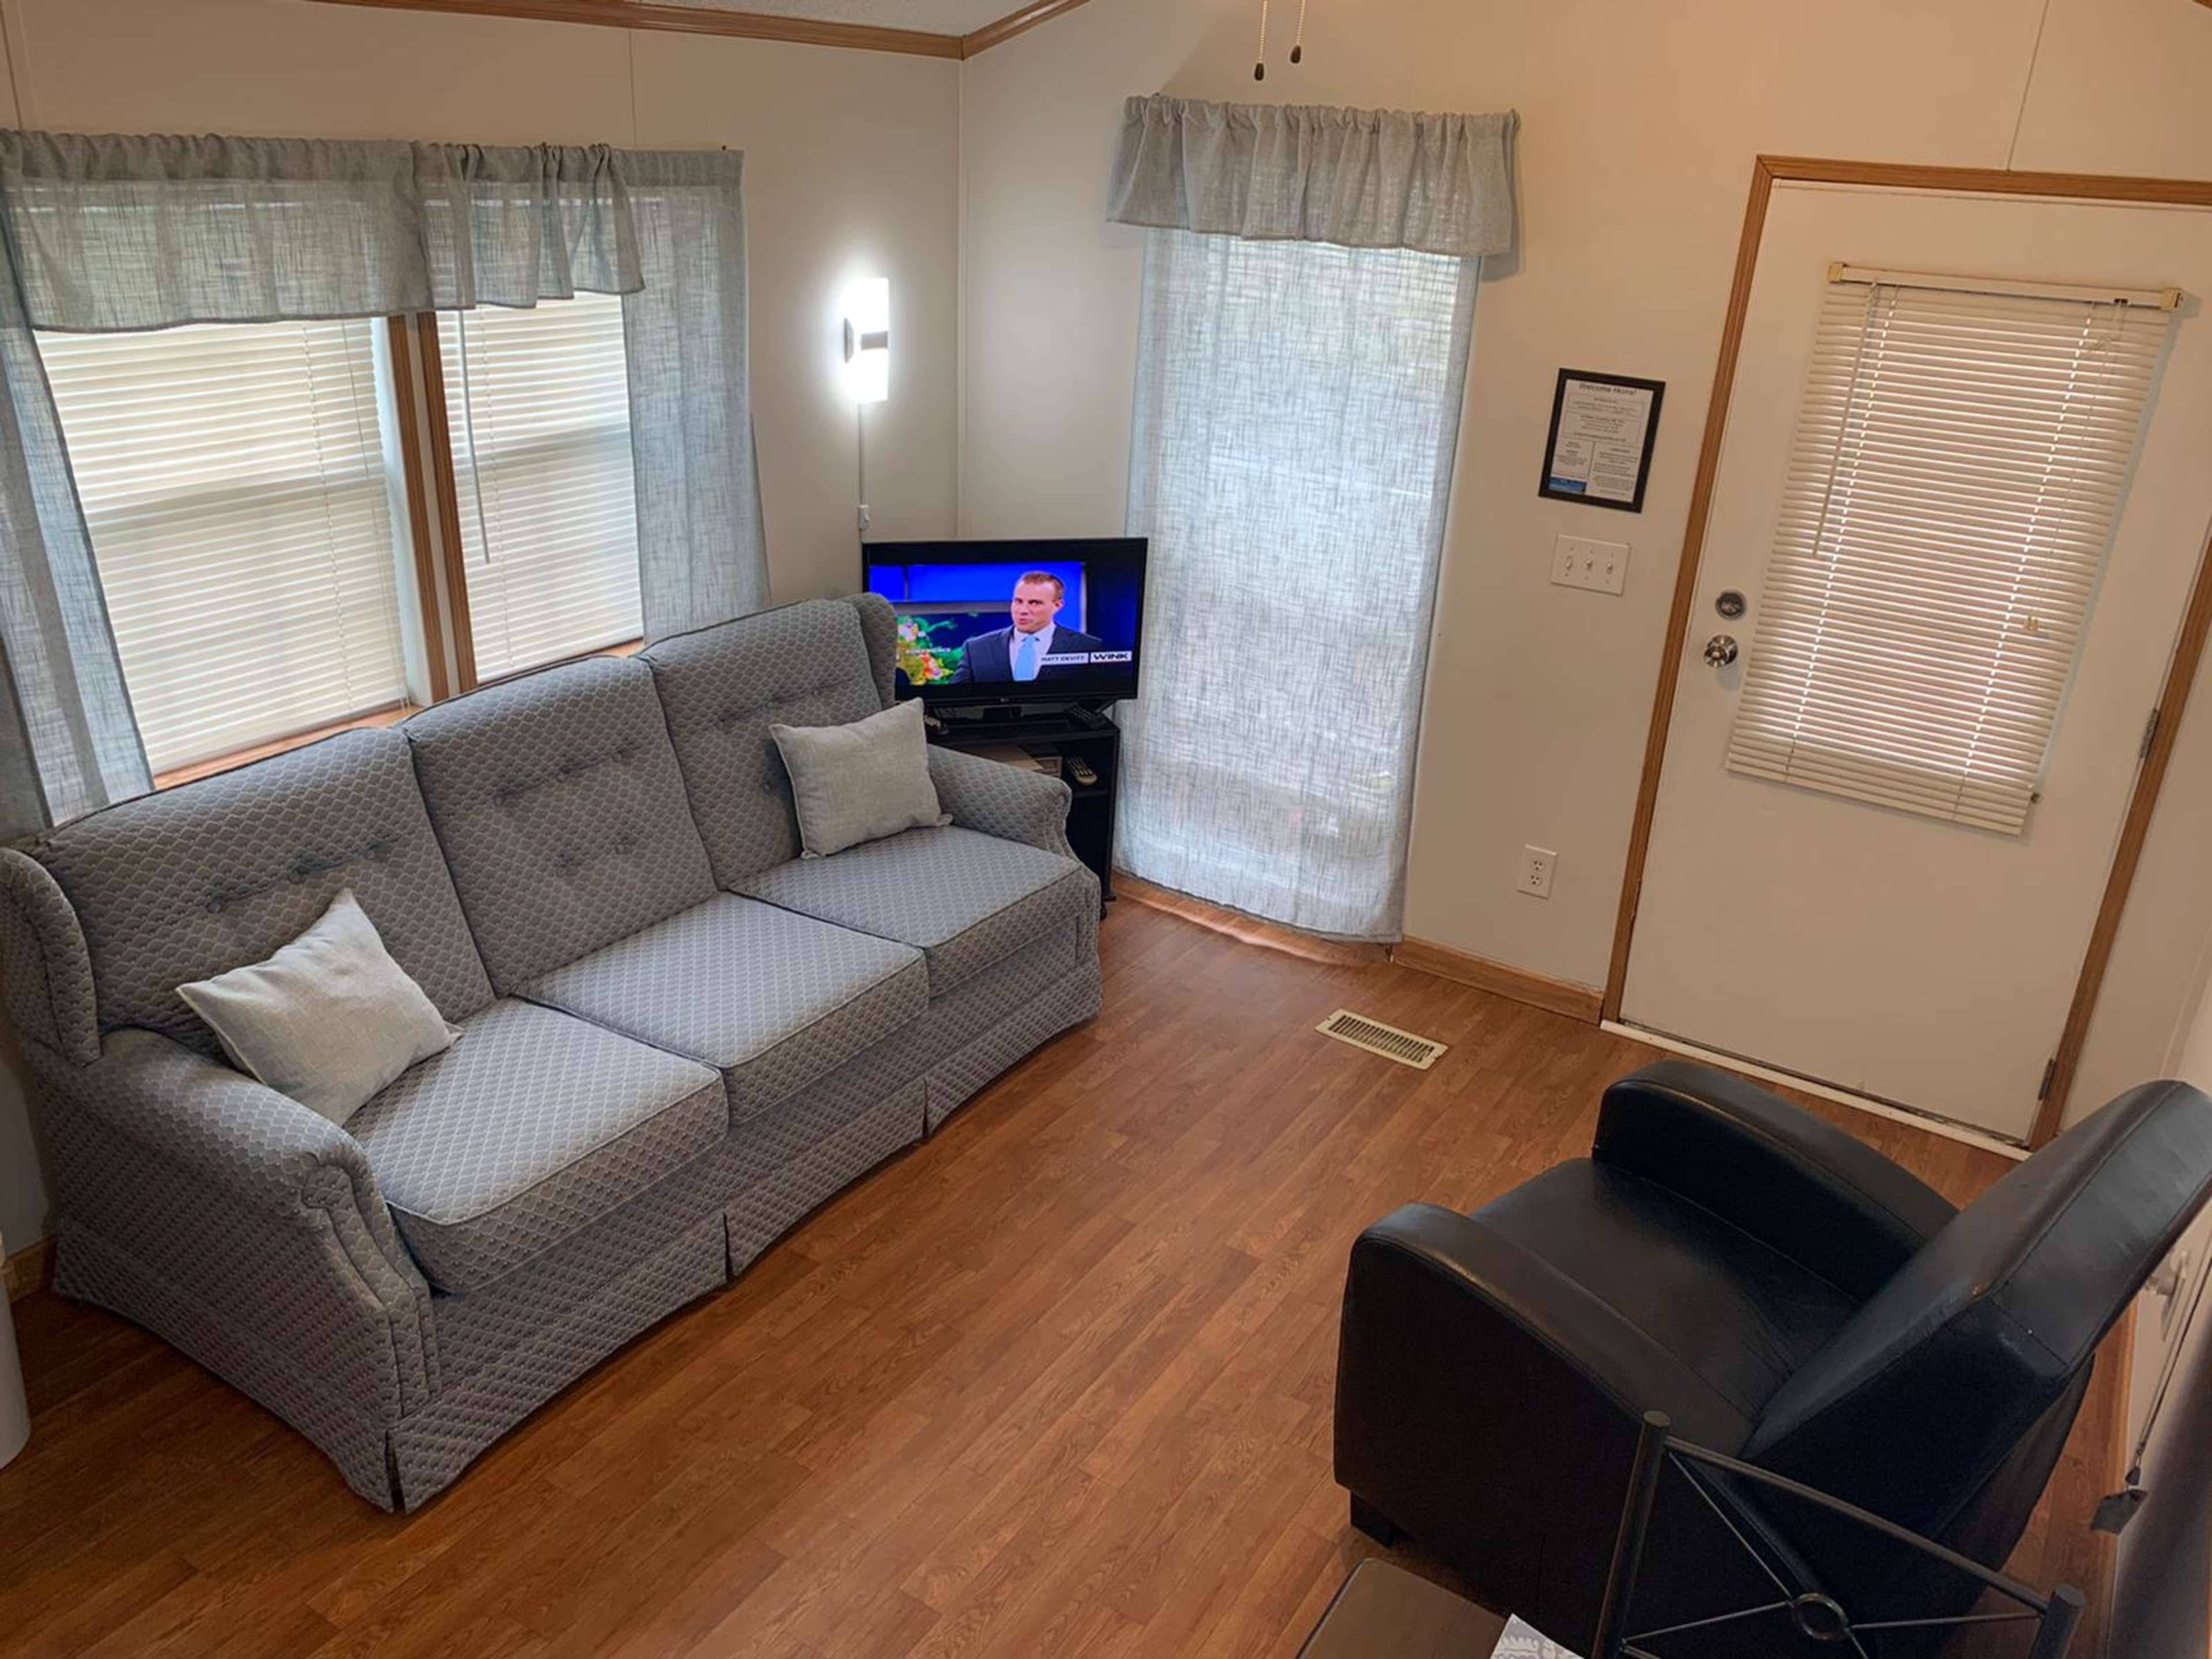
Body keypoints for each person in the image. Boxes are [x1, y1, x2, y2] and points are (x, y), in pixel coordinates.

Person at [949, 571, 1104, 684]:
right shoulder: (976, 648)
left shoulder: (1087, 646)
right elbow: (954, 700)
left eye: (1034, 603)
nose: (1022, 610)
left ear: (1058, 605)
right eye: (1018, 601)